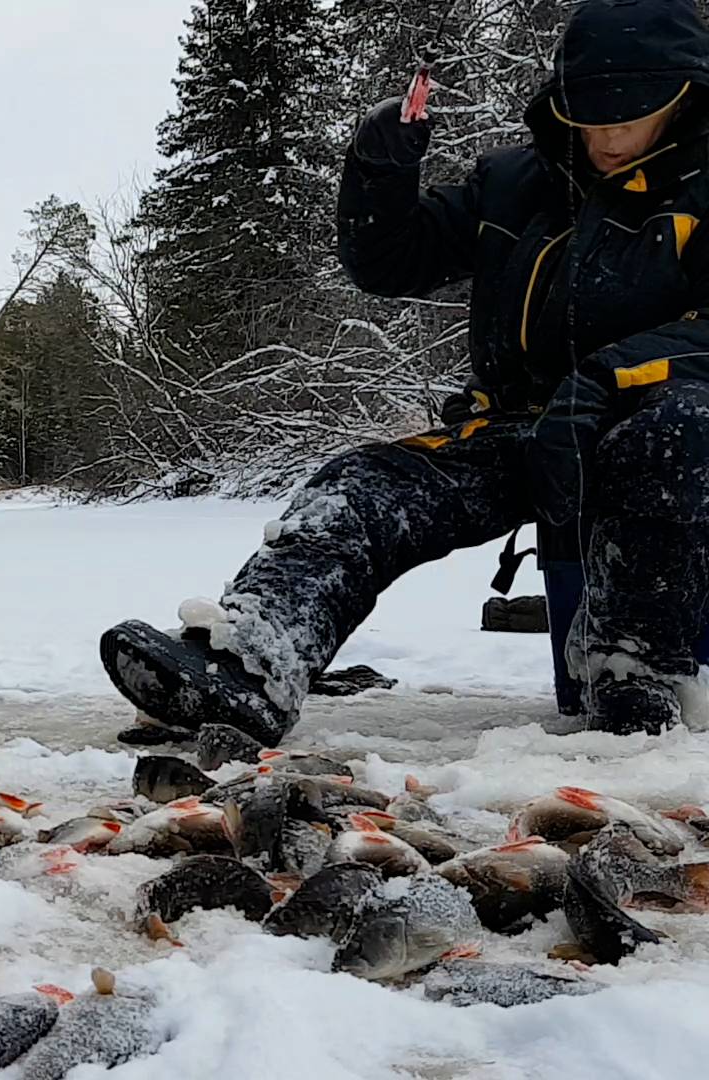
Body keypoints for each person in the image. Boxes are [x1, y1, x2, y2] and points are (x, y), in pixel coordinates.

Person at [100, 0, 709, 744]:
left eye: (629, 116)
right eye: (590, 115)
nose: (606, 136)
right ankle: (252, 661)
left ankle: (636, 678)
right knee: (364, 485)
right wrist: (379, 172)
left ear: (685, 97)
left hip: (662, 423)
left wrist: (605, 382)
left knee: (675, 434)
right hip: (519, 424)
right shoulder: (517, 182)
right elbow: (390, 263)